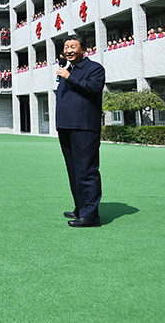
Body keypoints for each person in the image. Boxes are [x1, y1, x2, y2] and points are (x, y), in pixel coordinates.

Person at [55, 34, 106, 228]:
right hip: (66, 127)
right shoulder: (68, 70)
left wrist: (70, 77)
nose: (69, 50)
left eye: (73, 46)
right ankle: (80, 208)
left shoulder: (94, 69)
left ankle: (90, 215)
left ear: (83, 49)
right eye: (66, 46)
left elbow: (93, 88)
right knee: (74, 171)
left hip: (84, 128)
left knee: (86, 171)